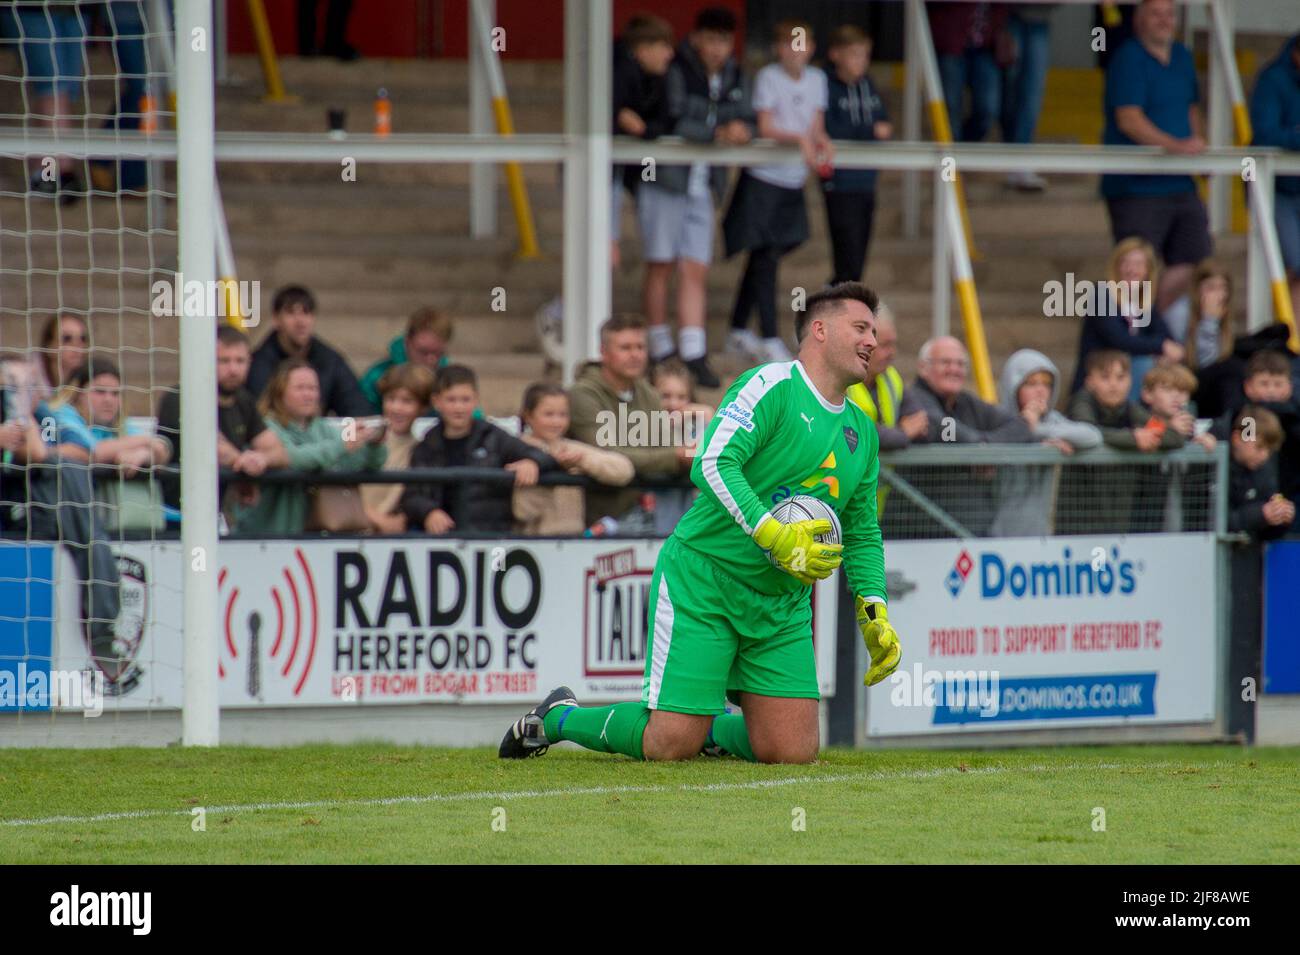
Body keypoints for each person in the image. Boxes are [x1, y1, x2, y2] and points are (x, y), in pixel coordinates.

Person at [498, 282, 899, 764]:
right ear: (819, 329)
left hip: (781, 603)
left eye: (874, 332)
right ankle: (557, 717)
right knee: (668, 745)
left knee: (793, 753)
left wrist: (873, 608)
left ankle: (707, 731)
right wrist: (772, 533)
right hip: (706, 581)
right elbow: (711, 462)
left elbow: (861, 531)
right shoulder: (770, 385)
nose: (872, 341)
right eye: (861, 328)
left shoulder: (863, 431)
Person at [642, 6, 753, 389]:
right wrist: (717, 128)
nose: (718, 48)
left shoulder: (735, 73)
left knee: (696, 267)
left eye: (725, 41)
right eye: (712, 39)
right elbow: (673, 117)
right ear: (696, 39)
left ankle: (693, 350)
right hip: (667, 178)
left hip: (705, 183)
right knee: (661, 263)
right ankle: (658, 347)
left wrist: (740, 127)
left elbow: (746, 113)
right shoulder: (677, 68)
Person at [723, 19, 831, 364]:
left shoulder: (818, 79)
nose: (794, 51)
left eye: (801, 43)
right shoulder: (769, 77)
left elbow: (816, 125)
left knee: (768, 254)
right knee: (764, 257)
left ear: (811, 48)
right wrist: (799, 138)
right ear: (778, 49)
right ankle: (768, 334)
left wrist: (820, 141)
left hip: (793, 181)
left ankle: (738, 327)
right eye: (788, 44)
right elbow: (766, 125)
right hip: (763, 179)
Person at [1100, 0, 1211, 311]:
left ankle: (1148, 321)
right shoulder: (1127, 58)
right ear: (1138, 20)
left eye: (1169, 14)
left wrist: (1198, 149)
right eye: (1155, 14)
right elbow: (1129, 118)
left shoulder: (1183, 56)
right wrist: (1174, 145)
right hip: (1136, 187)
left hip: (1181, 183)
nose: (1164, 21)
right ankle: (1132, 329)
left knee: (1196, 259)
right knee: (1134, 269)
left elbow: (1191, 109)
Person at [400, 365, 556, 536]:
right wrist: (428, 512)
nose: (459, 407)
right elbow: (411, 495)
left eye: (465, 400)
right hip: (441, 542)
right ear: (437, 402)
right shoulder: (426, 446)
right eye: (451, 400)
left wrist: (532, 462)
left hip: (491, 538)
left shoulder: (493, 437)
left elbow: (543, 455)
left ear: (476, 400)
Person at [235, 359, 386, 535]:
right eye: (300, 388)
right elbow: (292, 457)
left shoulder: (324, 429)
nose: (308, 395)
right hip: (266, 535)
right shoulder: (264, 428)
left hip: (314, 537)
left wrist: (373, 443)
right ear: (279, 393)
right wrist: (342, 445)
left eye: (313, 388)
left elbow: (361, 464)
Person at [566, 315, 691, 525]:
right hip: (606, 514)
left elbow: (666, 446)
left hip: (651, 506)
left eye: (640, 347)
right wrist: (675, 457)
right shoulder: (582, 394)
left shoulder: (648, 393)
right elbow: (608, 455)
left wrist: (688, 454)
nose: (635, 355)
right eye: (625, 348)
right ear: (604, 352)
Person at [155, 325, 289, 516]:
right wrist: (242, 465)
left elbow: (280, 452)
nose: (233, 369)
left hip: (213, 516)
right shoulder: (181, 397)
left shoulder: (244, 401)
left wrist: (261, 460)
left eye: (240, 361)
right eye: (224, 361)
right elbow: (209, 445)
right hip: (170, 516)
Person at [989, 348, 1102, 537]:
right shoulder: (998, 419)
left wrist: (1040, 431)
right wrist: (1032, 437)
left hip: (1042, 531)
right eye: (1031, 384)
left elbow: (1093, 436)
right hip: (1001, 531)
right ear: (1013, 386)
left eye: (1047, 384)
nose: (1040, 390)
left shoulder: (1053, 421)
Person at [821, 25, 892, 286]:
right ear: (835, 54)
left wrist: (877, 129)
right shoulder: (824, 85)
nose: (860, 62)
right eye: (854, 54)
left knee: (859, 254)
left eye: (865, 55)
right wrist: (870, 130)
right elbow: (830, 128)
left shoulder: (868, 85)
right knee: (846, 251)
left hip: (866, 179)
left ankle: (840, 304)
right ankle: (833, 305)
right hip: (839, 181)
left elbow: (884, 121)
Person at [513, 383, 635, 536]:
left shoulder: (571, 450)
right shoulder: (517, 449)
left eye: (563, 414)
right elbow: (523, 512)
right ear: (528, 416)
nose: (557, 422)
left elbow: (624, 470)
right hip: (534, 541)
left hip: (575, 539)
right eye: (548, 414)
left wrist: (583, 462)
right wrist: (553, 467)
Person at [1069, 236, 1182, 398]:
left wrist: (1164, 351)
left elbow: (1166, 337)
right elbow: (1119, 339)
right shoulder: (1101, 294)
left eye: (1138, 264)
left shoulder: (1145, 302)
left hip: (1126, 376)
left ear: (1148, 270)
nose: (1131, 269)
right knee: (1143, 364)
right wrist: (1161, 346)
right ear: (1116, 267)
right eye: (1125, 263)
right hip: (1101, 377)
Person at [0, 0, 87, 202]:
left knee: (64, 93)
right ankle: (58, 172)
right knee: (53, 90)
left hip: (75, 9)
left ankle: (44, 172)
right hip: (32, 9)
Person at [246, 285, 372, 418]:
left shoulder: (329, 360)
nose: (300, 321)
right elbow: (258, 413)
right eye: (290, 313)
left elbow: (357, 407)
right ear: (276, 319)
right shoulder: (258, 363)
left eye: (306, 312)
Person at [612, 13, 675, 274]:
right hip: (601, 173)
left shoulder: (659, 82)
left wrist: (644, 128)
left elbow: (667, 122)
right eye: (663, 47)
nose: (669, 55)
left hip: (626, 174)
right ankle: (563, 311)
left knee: (608, 255)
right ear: (642, 48)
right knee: (605, 253)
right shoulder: (615, 75)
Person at [1250, 32, 1300, 320]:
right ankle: (1288, 337)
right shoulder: (1273, 80)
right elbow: (1265, 134)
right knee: (1292, 263)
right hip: (1277, 188)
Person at [912, 336, 1034, 444]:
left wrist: (984, 444)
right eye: (945, 362)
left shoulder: (966, 401)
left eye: (960, 364)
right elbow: (949, 432)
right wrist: (982, 445)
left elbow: (1019, 426)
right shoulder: (914, 401)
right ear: (923, 367)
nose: (954, 369)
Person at [360, 363, 436, 535]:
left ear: (422, 407)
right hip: (349, 533)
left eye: (407, 401)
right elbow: (340, 490)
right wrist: (378, 519)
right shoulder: (361, 435)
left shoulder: (422, 449)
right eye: (391, 399)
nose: (397, 408)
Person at [844, 302, 927, 452]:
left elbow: (920, 422)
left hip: (878, 475)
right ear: (863, 344)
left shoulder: (890, 376)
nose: (892, 353)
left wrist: (894, 436)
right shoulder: (841, 380)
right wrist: (903, 434)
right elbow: (860, 433)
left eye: (893, 344)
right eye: (885, 345)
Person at [928, 2, 1010, 145]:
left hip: (985, 45)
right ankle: (951, 162)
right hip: (951, 42)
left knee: (988, 109)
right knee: (950, 108)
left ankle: (962, 152)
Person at [999, 3, 1057, 191]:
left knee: (1032, 91)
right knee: (1007, 87)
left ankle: (1021, 159)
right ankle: (1010, 152)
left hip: (1039, 17)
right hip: (1003, 16)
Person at [358, 307, 453, 414]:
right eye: (423, 351)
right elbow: (361, 417)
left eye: (438, 353)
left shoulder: (449, 380)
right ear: (407, 342)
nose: (431, 359)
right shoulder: (376, 376)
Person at [1227, 405, 1295, 539]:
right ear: (1237, 439)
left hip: (1250, 555)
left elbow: (1267, 533)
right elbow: (1215, 521)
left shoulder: (1264, 471)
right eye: (1259, 448)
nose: (1264, 456)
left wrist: (1280, 518)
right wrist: (1260, 514)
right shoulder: (1216, 468)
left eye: (1269, 450)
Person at [1179, 260, 1235, 371]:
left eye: (1223, 288)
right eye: (1211, 288)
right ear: (1197, 289)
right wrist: (1210, 320)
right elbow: (1206, 363)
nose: (1218, 295)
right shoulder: (1181, 313)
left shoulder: (1222, 311)